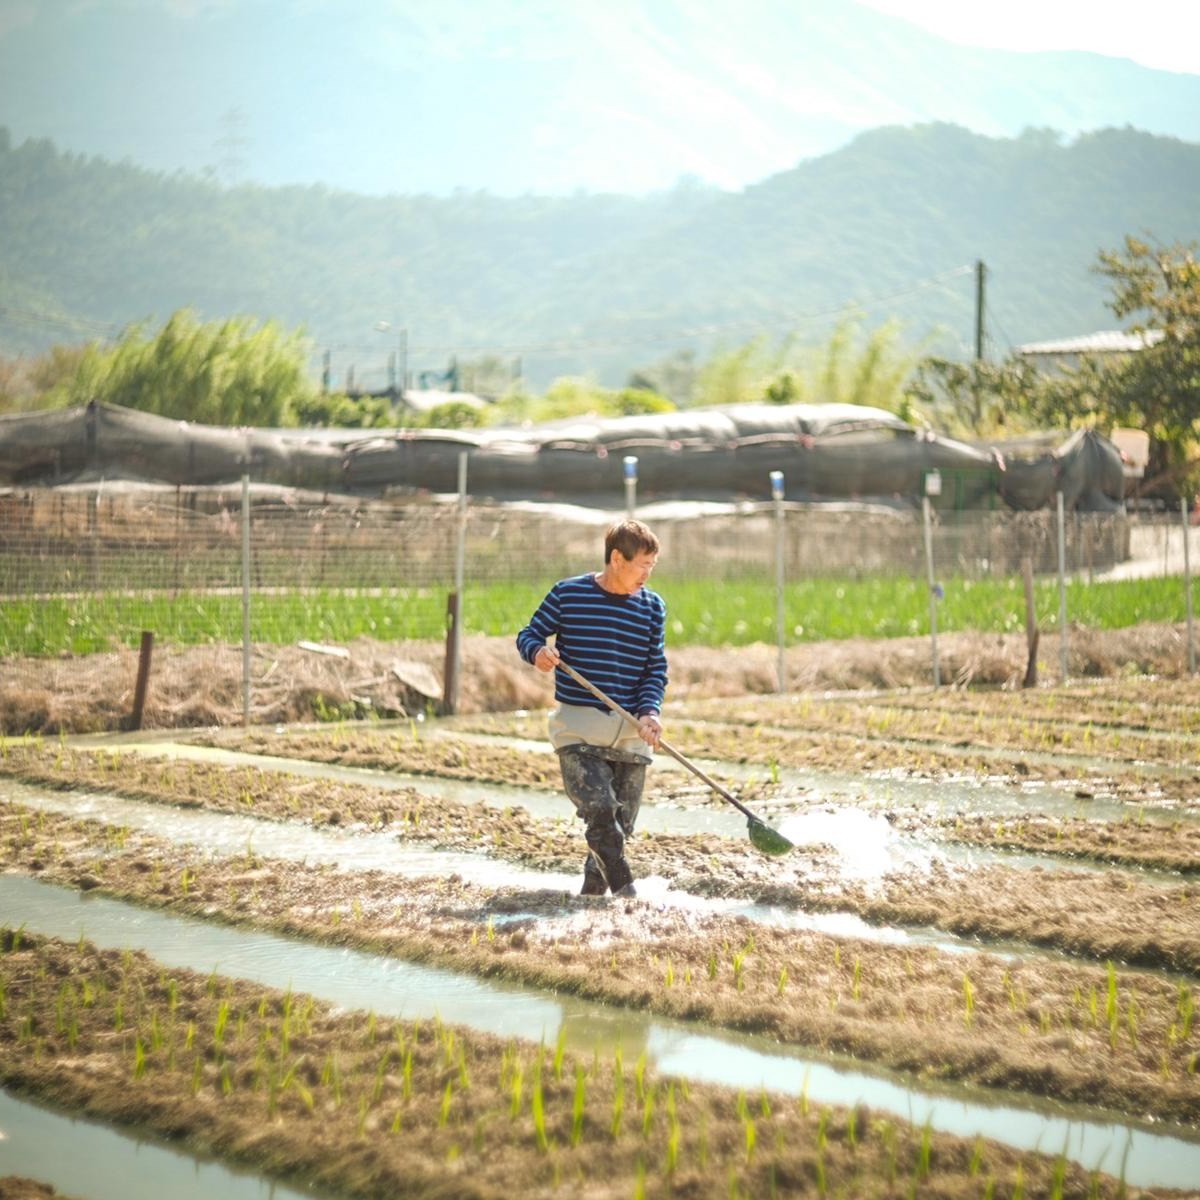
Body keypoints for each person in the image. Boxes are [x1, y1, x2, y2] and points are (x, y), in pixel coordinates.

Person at [516, 519, 667, 897]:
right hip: (578, 731)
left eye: (652, 566)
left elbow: (655, 669)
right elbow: (529, 634)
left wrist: (650, 713)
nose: (647, 575)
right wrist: (539, 652)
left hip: (631, 733)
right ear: (617, 558)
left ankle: (593, 899)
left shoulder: (652, 607)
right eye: (642, 565)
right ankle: (627, 894)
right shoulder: (568, 595)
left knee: (619, 826)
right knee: (600, 813)